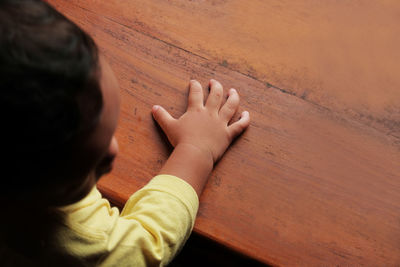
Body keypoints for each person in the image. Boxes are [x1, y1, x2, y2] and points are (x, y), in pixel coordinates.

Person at [0, 0, 250, 266]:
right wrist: (196, 150)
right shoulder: (71, 240)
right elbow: (147, 244)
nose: (112, 151)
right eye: (78, 173)